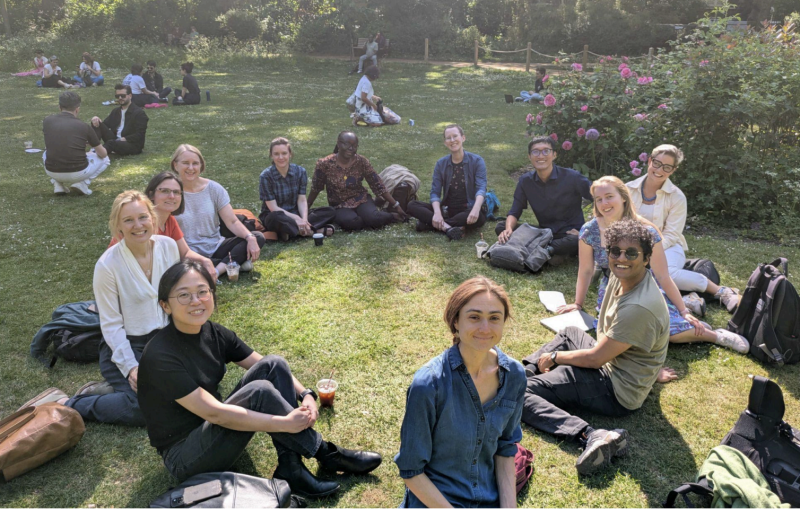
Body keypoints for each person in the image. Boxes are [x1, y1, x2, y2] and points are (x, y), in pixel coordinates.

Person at [137, 260, 383, 494]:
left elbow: (263, 363)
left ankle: (290, 466)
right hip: (185, 455)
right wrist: (283, 423)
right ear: (165, 305)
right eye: (184, 295)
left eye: (202, 291)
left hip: (212, 430)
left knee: (274, 364)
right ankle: (325, 453)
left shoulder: (213, 332)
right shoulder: (160, 355)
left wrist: (306, 394)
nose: (196, 301)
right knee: (259, 392)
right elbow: (215, 413)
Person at [521, 218, 676, 475]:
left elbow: (595, 359)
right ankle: (523, 372)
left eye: (631, 253)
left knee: (520, 394)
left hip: (616, 390)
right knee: (571, 332)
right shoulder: (623, 276)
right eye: (615, 251)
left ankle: (590, 435)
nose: (621, 258)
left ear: (647, 258)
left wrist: (556, 357)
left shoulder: (638, 306)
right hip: (612, 364)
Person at [18, 191, 181, 423]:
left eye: (143, 217)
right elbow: (111, 326)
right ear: (118, 226)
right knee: (146, 408)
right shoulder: (108, 265)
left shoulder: (168, 247)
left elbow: (175, 300)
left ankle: (107, 391)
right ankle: (66, 403)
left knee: (193, 386)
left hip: (163, 341)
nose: (138, 225)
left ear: (152, 218)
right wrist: (132, 368)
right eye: (128, 220)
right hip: (127, 344)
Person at [557, 176, 749, 353]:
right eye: (599, 199)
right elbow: (586, 270)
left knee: (669, 334)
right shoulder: (589, 230)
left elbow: (663, 275)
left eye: (609, 196)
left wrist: (683, 312)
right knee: (620, 334)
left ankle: (715, 335)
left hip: (644, 287)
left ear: (623, 197)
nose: (604, 203)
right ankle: (687, 308)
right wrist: (578, 303)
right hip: (611, 290)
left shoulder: (646, 230)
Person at [394, 276, 524, 508]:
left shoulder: (515, 375)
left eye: (494, 318)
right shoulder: (428, 384)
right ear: (455, 321)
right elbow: (411, 471)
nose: (485, 328)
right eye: (474, 317)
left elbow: (505, 448)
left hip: (487, 499)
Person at [626, 144, 741, 312]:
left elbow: (672, 235)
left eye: (667, 167)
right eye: (657, 163)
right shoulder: (627, 189)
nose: (660, 170)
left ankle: (722, 291)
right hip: (632, 247)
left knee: (666, 273)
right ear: (650, 161)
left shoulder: (677, 197)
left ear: (673, 170)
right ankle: (687, 299)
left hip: (668, 246)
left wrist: (649, 252)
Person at [171, 144, 266, 278]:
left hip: (215, 247)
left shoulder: (214, 189)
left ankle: (216, 271)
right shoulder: (170, 192)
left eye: (195, 163)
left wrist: (250, 237)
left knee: (257, 237)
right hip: (186, 253)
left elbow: (232, 221)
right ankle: (232, 263)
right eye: (185, 163)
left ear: (201, 166)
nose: (191, 168)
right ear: (175, 165)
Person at [496, 136, 593, 265]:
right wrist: (508, 229)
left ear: (554, 155)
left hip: (569, 234)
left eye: (546, 151)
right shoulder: (525, 181)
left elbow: (599, 198)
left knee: (578, 240)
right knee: (501, 227)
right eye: (535, 152)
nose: (541, 155)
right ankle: (551, 251)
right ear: (529, 156)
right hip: (544, 232)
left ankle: (543, 249)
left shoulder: (572, 177)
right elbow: (515, 211)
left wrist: (587, 230)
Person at [108, 172, 217, 278]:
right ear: (151, 195)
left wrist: (205, 260)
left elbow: (184, 253)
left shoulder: (170, 220)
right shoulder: (141, 227)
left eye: (176, 192)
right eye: (165, 191)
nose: (172, 196)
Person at [308, 131, 406, 231]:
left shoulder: (362, 161)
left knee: (374, 218)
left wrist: (396, 205)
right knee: (352, 223)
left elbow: (378, 185)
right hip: (339, 205)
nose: (351, 148)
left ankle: (390, 216)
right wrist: (306, 207)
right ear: (338, 144)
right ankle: (366, 219)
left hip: (361, 199)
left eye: (354, 146)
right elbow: (316, 188)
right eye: (347, 144)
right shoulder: (324, 164)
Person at [407, 124, 487, 240]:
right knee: (412, 205)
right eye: (448, 138)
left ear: (463, 138)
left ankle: (429, 225)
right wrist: (437, 213)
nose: (452, 140)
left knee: (477, 217)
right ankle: (448, 228)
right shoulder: (441, 164)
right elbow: (435, 193)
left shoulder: (477, 161)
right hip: (447, 209)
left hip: (469, 209)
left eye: (455, 136)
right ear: (445, 142)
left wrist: (476, 209)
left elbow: (481, 188)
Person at [258, 137, 336, 240]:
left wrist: (304, 219)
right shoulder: (265, 176)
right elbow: (273, 208)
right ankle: (312, 231)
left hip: (295, 212)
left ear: (290, 154)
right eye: (276, 154)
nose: (280, 157)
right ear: (271, 155)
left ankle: (289, 232)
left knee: (330, 211)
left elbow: (302, 200)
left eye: (284, 153)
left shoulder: (300, 171)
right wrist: (296, 218)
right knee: (275, 217)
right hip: (277, 216)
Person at [42, 91, 110, 195]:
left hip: (52, 170)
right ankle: (83, 183)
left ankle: (58, 185)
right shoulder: (84, 126)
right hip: (78, 172)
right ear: (77, 109)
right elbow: (103, 154)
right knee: (105, 159)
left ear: (60, 107)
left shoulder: (47, 121)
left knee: (46, 152)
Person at [90, 84, 149, 156]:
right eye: (117, 96)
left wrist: (124, 138)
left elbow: (140, 134)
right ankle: (96, 147)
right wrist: (96, 119)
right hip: (115, 140)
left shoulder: (139, 113)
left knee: (112, 143)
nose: (120, 98)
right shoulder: (116, 111)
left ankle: (97, 154)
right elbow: (104, 125)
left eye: (123, 96)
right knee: (96, 122)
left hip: (131, 144)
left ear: (130, 96)